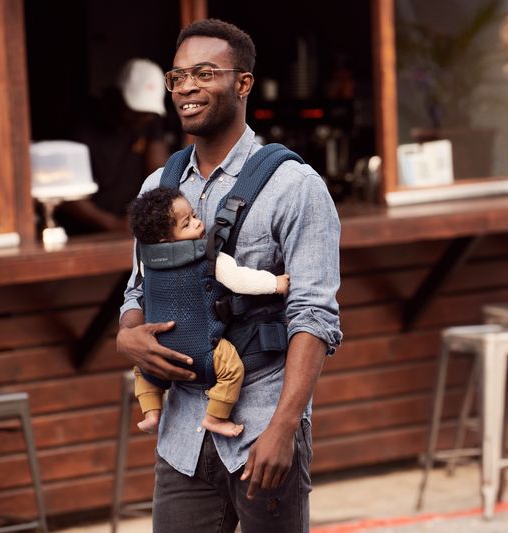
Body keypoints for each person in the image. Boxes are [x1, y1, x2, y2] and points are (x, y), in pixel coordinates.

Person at [116, 19, 342, 532]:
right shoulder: (160, 183)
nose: (187, 88)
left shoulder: (294, 186)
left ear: (243, 83)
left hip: (264, 423)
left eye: (204, 73)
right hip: (182, 436)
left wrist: (285, 427)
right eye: (177, 77)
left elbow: (314, 315)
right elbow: (137, 289)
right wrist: (128, 335)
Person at [127, 186, 290, 437]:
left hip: (159, 347)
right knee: (231, 369)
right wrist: (275, 284)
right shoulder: (209, 255)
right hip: (202, 348)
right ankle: (215, 417)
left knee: (143, 370)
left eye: (193, 215)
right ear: (164, 239)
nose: (198, 222)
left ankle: (151, 412)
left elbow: (138, 290)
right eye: (187, 223)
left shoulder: (146, 260)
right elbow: (240, 280)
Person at [57, 58, 170, 234]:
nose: (143, 118)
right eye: (136, 112)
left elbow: (159, 172)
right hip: (85, 231)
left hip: (133, 224)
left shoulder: (148, 120)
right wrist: (114, 224)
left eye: (148, 114)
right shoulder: (82, 124)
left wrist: (150, 212)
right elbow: (65, 191)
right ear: (117, 96)